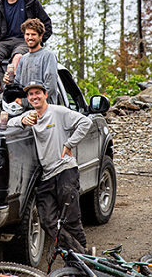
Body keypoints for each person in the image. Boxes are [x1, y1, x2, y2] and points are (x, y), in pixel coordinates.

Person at [8, 80, 91, 252]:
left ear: (46, 95)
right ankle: (82, 256)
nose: (34, 96)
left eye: (37, 93)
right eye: (30, 94)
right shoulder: (31, 116)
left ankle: (81, 263)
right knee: (47, 221)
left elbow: (85, 122)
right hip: (47, 176)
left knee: (71, 220)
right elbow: (8, 123)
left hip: (65, 171)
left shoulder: (58, 112)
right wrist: (22, 120)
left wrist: (69, 144)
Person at [3, 18, 59, 106]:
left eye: (33, 34)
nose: (30, 37)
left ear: (40, 36)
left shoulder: (48, 56)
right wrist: (10, 82)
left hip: (45, 111)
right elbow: (18, 86)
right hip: (25, 111)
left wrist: (25, 102)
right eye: (27, 34)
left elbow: (50, 87)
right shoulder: (23, 58)